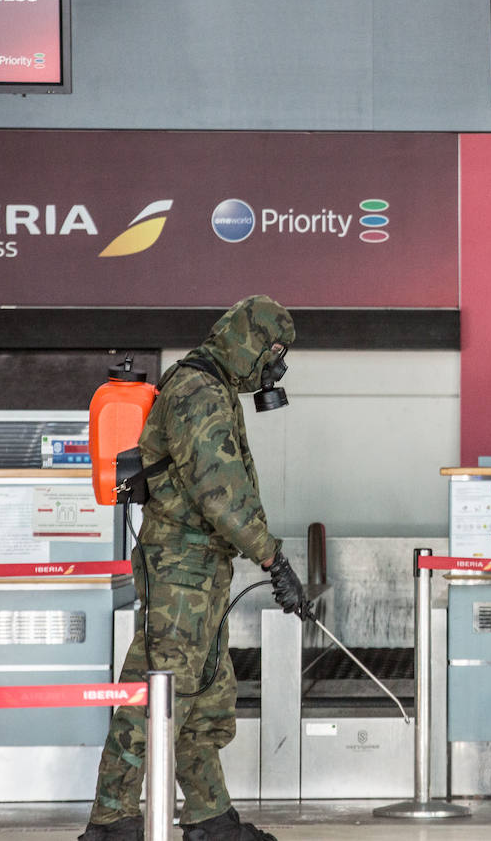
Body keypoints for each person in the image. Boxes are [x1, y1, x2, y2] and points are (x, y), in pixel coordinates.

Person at [80, 295, 306, 841]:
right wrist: (273, 557)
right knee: (153, 692)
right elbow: (220, 492)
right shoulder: (197, 390)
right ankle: (111, 823)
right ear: (249, 340)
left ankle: (208, 817)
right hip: (180, 570)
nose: (275, 366)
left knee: (202, 697)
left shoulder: (214, 388)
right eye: (273, 351)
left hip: (201, 569)